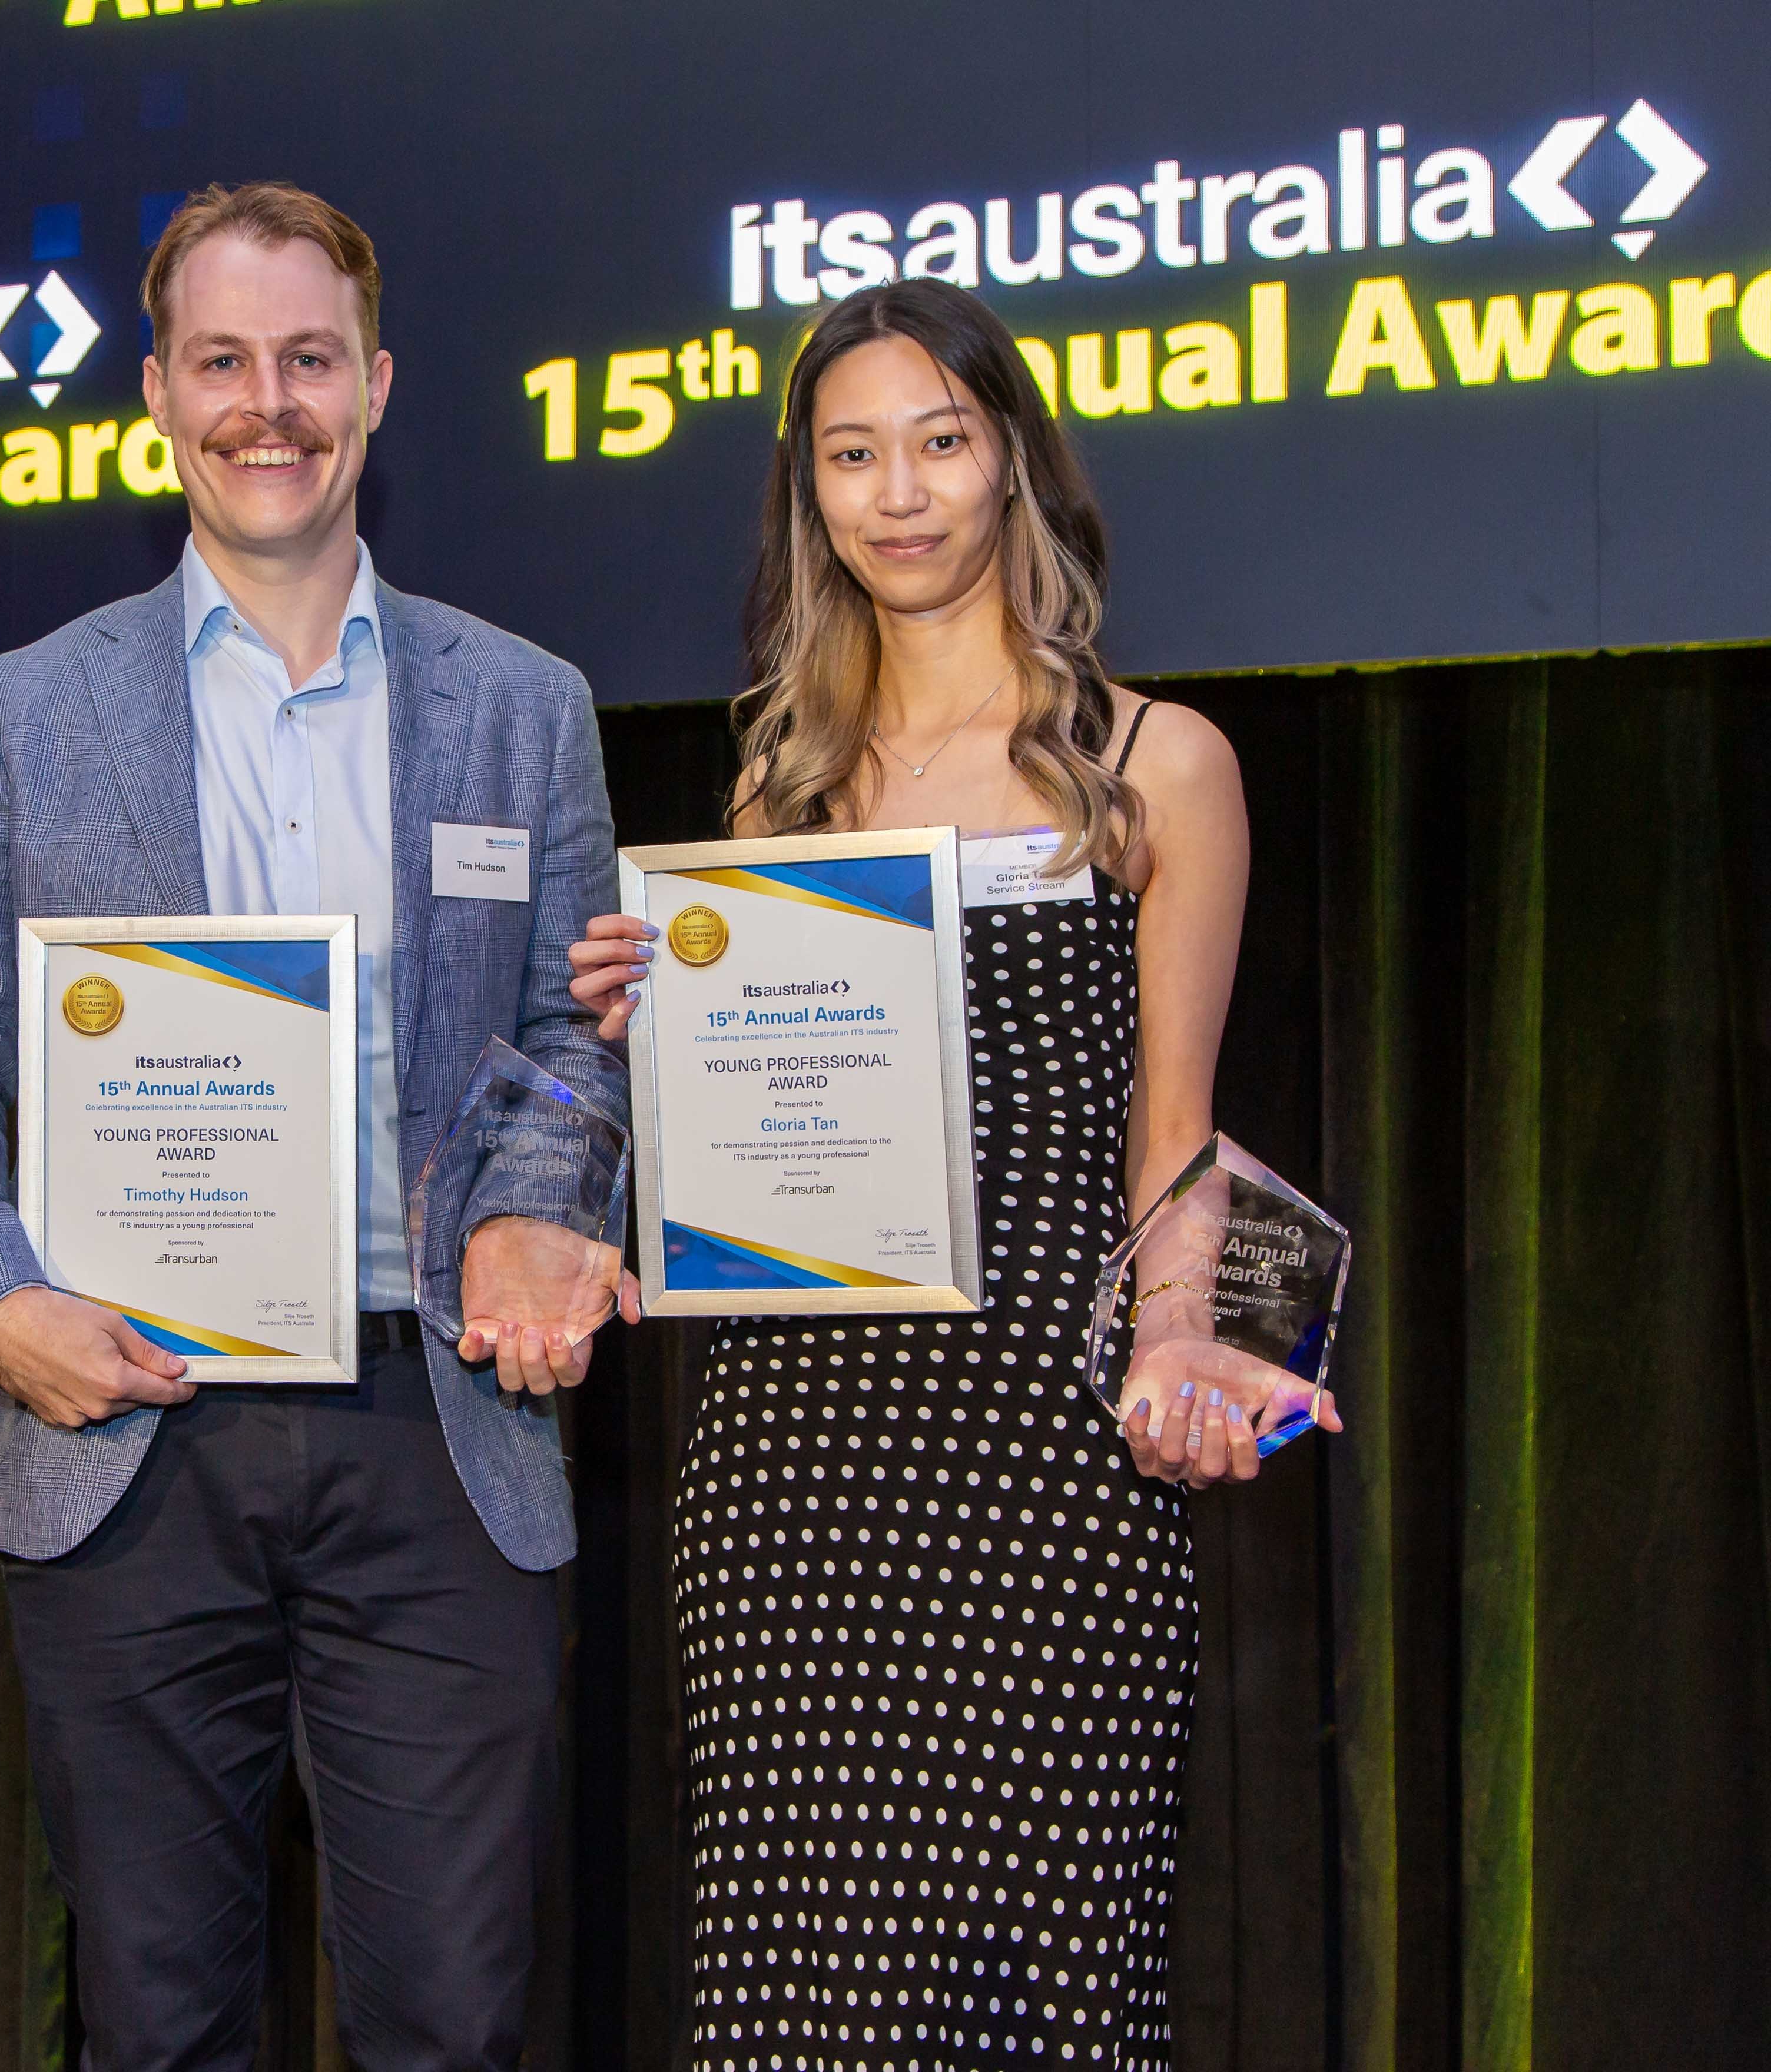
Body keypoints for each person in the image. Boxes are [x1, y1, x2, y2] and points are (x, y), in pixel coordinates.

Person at [0, 183, 628, 2070]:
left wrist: (533, 1205)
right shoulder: (22, 714)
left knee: (454, 2021)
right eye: (223, 361)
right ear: (156, 394)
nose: (265, 403)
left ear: (375, 389)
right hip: (129, 1434)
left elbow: (574, 1034)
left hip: (436, 1431)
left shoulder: (525, 708)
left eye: (307, 360)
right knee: (154, 2025)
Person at [568, 278, 1340, 2068]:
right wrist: (638, 1025)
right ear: (809, 494)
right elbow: (746, 1160)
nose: (897, 492)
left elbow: (1177, 1143)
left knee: (1045, 1992)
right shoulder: (776, 801)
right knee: (800, 2002)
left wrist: (1189, 1358)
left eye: (938, 441)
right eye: (853, 454)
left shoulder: (1158, 771)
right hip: (789, 1480)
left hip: (1040, 1477)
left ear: (1010, 465)